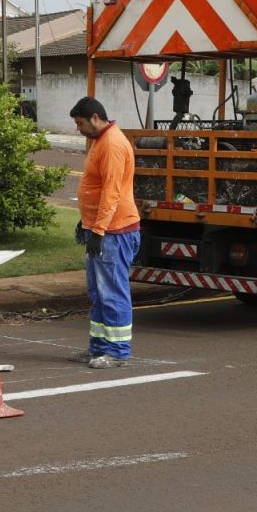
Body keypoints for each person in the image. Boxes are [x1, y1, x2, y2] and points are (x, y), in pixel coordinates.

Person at [69, 97, 141, 369]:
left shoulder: (111, 145)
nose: (79, 129)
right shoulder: (102, 141)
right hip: (102, 229)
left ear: (95, 117)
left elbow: (112, 192)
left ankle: (118, 352)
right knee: (98, 292)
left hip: (114, 231)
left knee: (112, 292)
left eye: (80, 123)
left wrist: (98, 230)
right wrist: (87, 224)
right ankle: (99, 347)